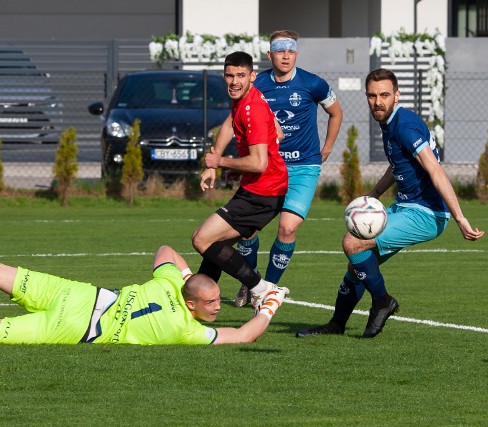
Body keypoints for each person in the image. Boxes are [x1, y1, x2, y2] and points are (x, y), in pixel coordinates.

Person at [0, 220, 289, 348]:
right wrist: (268, 304)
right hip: (73, 328)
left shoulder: (165, 287)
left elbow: (164, 250)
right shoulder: (186, 330)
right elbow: (246, 333)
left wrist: (181, 278)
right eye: (212, 301)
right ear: (192, 306)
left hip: (76, 294)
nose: (217, 306)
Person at [296, 68, 484, 339]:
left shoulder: (405, 125)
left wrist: (460, 218)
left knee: (352, 243)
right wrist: (372, 195)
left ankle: (383, 301)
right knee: (359, 264)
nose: (378, 101)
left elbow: (435, 169)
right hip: (406, 206)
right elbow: (396, 166)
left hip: (426, 213)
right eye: (372, 96)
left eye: (384, 94)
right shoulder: (391, 122)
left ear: (397, 95)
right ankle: (336, 324)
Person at [228, 30, 343, 307]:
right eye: (280, 51)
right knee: (247, 231)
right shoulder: (258, 84)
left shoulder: (312, 83)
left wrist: (326, 148)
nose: (286, 55)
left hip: (303, 167)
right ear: (270, 55)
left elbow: (336, 113)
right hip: (267, 167)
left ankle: (269, 288)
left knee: (288, 229)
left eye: (290, 50)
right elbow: (237, 118)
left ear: (296, 53)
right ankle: (250, 282)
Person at [192, 51, 288, 310]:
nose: (234, 81)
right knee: (217, 246)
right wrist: (216, 157)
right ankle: (197, 305)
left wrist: (219, 162)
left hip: (264, 192)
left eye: (241, 75)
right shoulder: (243, 101)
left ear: (252, 77)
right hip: (259, 189)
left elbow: (259, 163)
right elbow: (229, 126)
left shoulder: (252, 108)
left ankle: (262, 289)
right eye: (229, 75)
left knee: (202, 239)